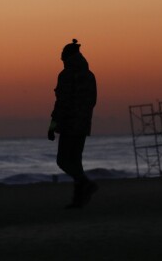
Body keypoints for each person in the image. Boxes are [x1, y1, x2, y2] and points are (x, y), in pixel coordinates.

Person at [48, 39, 98, 208]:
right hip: (83, 125)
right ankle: (79, 200)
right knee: (76, 162)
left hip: (70, 125)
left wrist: (52, 126)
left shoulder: (67, 75)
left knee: (63, 160)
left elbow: (61, 103)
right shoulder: (89, 75)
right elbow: (92, 101)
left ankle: (85, 184)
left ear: (67, 58)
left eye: (63, 59)